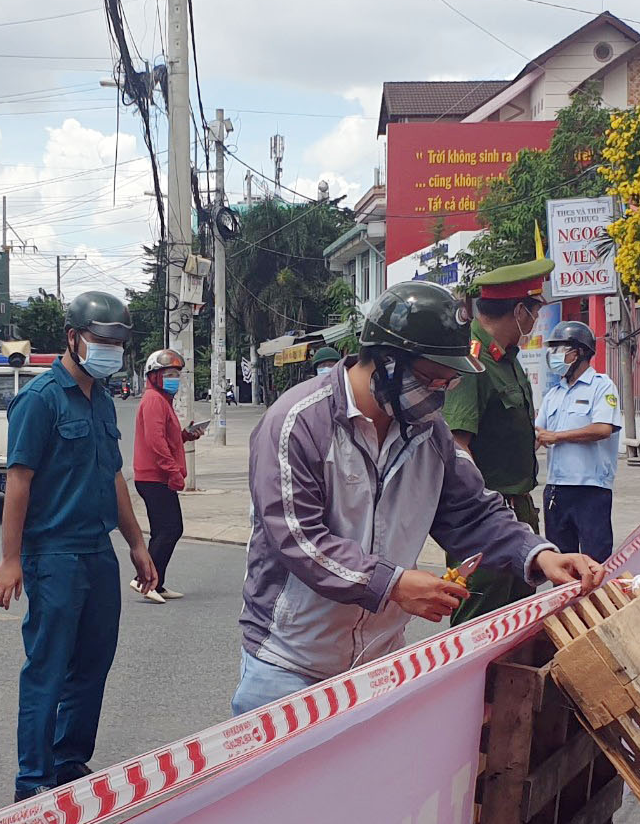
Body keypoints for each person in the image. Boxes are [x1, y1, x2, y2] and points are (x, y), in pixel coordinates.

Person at [234, 279, 604, 716]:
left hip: (376, 659)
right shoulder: (297, 424)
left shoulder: (429, 433)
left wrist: (539, 554)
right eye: (430, 378)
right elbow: (298, 539)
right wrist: (392, 585)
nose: (439, 393)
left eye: (448, 382)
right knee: (287, 786)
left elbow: (474, 511)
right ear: (386, 362)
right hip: (288, 663)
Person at [0, 290, 161, 799]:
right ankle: (33, 779)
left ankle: (68, 760)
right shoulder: (39, 400)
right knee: (48, 667)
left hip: (96, 552)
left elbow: (113, 477)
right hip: (53, 554)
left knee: (93, 662)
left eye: (117, 342)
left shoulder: (102, 398)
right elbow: (18, 482)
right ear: (72, 337)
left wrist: (137, 543)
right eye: (100, 339)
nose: (109, 349)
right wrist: (11, 558)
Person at [441, 277, 544, 620]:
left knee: (520, 625)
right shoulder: (472, 361)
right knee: (479, 628)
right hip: (487, 522)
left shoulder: (507, 358)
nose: (535, 322)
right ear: (518, 311)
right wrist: (486, 514)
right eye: (534, 312)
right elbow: (457, 447)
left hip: (519, 511)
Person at [535, 320, 620, 562]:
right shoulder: (554, 394)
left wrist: (557, 436)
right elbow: (539, 433)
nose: (554, 355)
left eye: (561, 349)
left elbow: (603, 428)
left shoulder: (601, 387)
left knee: (595, 563)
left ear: (580, 352)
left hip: (590, 489)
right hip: (556, 489)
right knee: (561, 563)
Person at [132, 346, 195, 602]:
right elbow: (156, 442)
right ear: (154, 376)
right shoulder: (153, 401)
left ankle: (156, 584)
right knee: (170, 529)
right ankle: (144, 581)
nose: (174, 379)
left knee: (164, 530)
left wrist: (186, 435)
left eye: (176, 374)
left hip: (158, 477)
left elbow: (167, 438)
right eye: (168, 373)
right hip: (153, 477)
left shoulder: (161, 401)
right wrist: (173, 472)